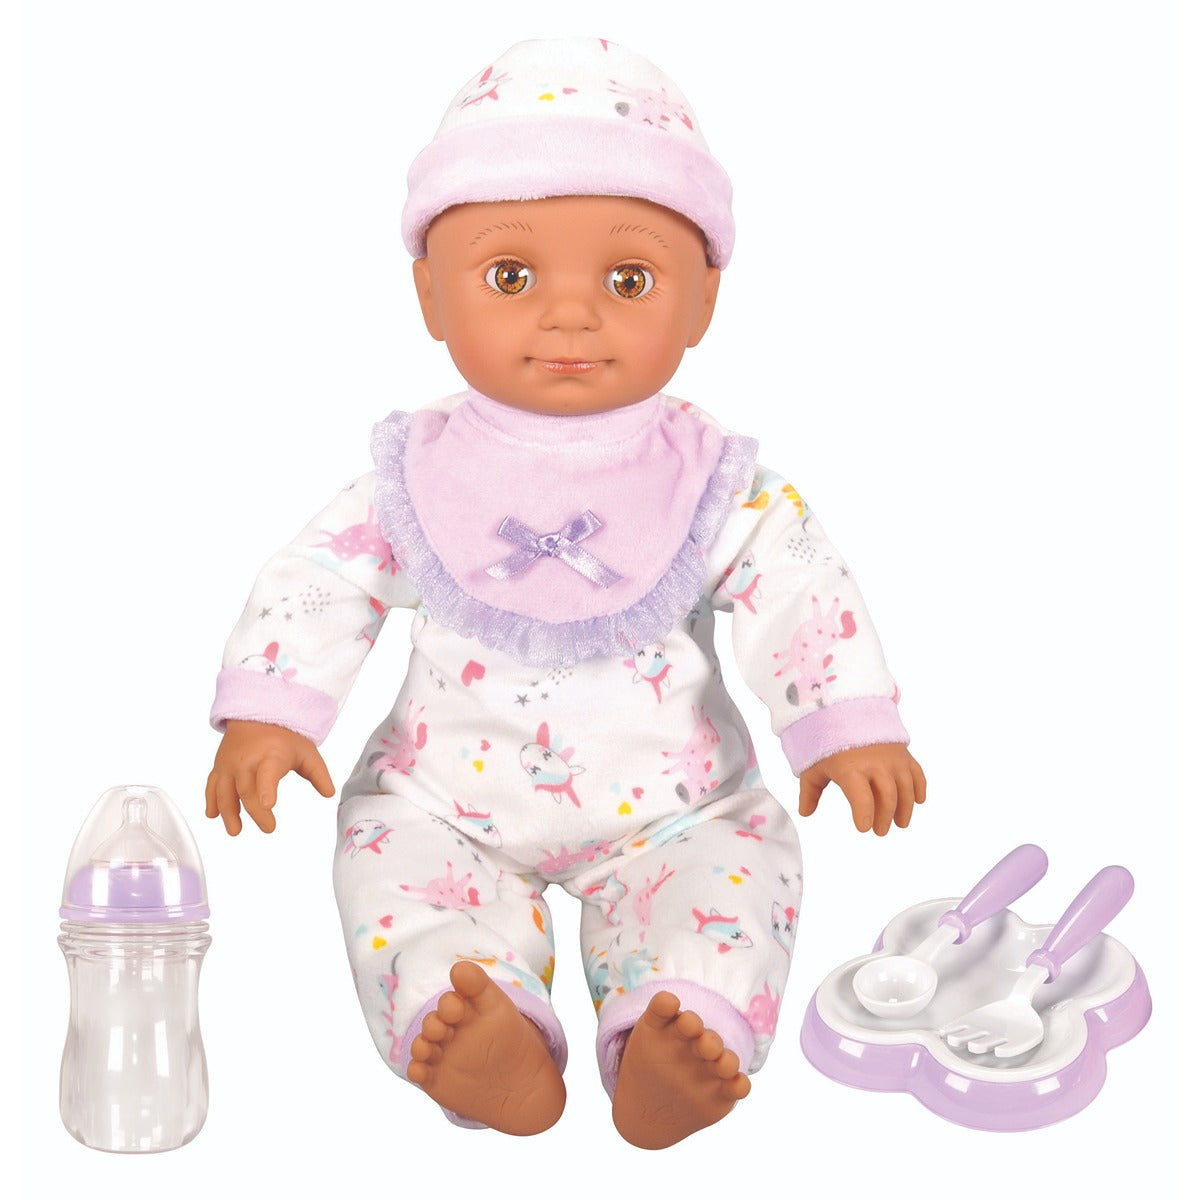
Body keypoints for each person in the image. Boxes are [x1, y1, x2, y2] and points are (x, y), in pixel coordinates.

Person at [206, 38, 925, 1149]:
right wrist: (271, 709)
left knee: (730, 872)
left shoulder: (710, 477)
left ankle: (679, 1022)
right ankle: (471, 1012)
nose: (571, 315)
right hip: (442, 798)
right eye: (511, 277)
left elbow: (799, 583)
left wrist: (844, 724)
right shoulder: (416, 472)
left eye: (628, 280)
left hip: (676, 807)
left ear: (703, 301)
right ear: (429, 294)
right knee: (392, 868)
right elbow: (324, 576)